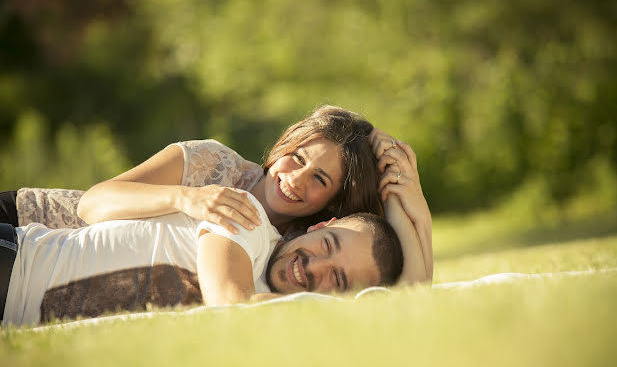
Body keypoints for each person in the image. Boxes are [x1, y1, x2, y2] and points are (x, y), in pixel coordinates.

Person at [1, 105, 433, 286]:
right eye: (297, 158)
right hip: (28, 227)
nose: (295, 180)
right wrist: (185, 198)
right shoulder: (211, 163)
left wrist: (411, 206)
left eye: (319, 180)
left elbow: (411, 293)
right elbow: (91, 205)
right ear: (282, 146)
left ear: (332, 206)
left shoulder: (302, 252)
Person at [0, 191, 404, 327]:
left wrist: (414, 212)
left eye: (338, 280)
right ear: (320, 226)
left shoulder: (279, 309)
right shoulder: (246, 217)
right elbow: (230, 305)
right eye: (328, 246)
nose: (314, 268)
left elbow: (414, 302)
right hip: (12, 264)